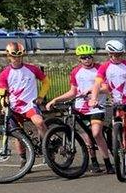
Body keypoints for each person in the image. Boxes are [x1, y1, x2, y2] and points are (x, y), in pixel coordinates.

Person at [45, 44, 112, 173]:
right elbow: (73, 92)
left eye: (89, 57)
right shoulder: (76, 72)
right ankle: (93, 161)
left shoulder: (100, 69)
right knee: (86, 136)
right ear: (79, 59)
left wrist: (92, 90)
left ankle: (107, 162)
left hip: (97, 107)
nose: (87, 60)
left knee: (96, 133)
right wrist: (56, 99)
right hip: (81, 107)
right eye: (83, 57)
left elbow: (106, 88)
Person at [90, 40, 126, 173]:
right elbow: (97, 84)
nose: (117, 57)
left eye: (120, 55)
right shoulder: (104, 67)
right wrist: (93, 98)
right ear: (109, 54)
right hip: (117, 103)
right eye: (115, 55)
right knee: (122, 132)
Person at [0, 42, 51, 164]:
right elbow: (1, 92)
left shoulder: (32, 69)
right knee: (18, 134)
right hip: (14, 107)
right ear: (8, 57)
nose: (17, 59)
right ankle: (23, 159)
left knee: (39, 122)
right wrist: (3, 104)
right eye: (14, 56)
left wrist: (41, 97)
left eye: (19, 56)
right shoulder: (5, 73)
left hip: (29, 105)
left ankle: (46, 148)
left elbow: (46, 82)